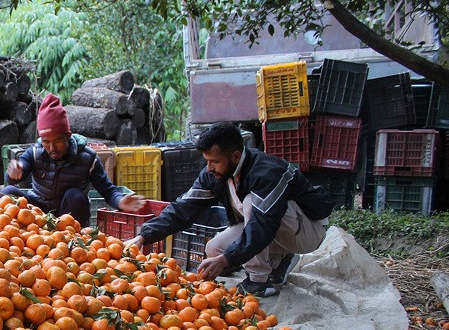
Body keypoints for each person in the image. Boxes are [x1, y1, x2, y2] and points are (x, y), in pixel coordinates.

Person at [124, 121, 333, 296]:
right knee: (214, 249)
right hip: (274, 227)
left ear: (235, 156)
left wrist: (227, 260)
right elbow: (184, 208)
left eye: (214, 161)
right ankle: (282, 260)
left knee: (252, 204)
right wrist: (144, 236)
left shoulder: (267, 173)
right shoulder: (214, 174)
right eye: (207, 161)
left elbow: (262, 226)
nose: (209, 167)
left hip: (307, 230)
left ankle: (259, 280)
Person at [3, 94, 144, 227]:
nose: (51, 148)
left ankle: (75, 241)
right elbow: (14, 177)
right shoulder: (35, 153)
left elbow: (107, 190)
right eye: (46, 141)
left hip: (69, 218)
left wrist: (120, 201)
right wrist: (14, 172)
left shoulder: (88, 158)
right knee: (8, 192)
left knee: (75, 196)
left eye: (57, 141)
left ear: (68, 136)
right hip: (37, 213)